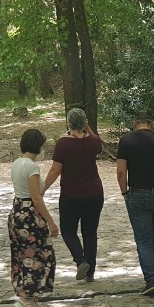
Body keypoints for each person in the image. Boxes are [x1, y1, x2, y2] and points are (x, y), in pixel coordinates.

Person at [117, 109, 154, 295]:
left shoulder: (126, 141)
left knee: (143, 239)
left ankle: (150, 279)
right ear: (152, 124)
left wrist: (124, 192)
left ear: (134, 124)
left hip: (138, 193)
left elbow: (121, 171)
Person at [43, 108, 104, 283]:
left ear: (68, 123)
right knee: (90, 233)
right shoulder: (93, 141)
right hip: (94, 193)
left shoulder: (63, 144)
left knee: (68, 231)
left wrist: (43, 188)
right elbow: (98, 144)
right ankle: (90, 272)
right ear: (84, 123)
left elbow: (56, 170)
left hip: (71, 194)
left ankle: (80, 260)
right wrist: (88, 127)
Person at [8, 129, 59, 307]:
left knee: (22, 255)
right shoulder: (32, 167)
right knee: (39, 255)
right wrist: (50, 221)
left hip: (17, 212)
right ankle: (28, 298)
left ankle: (26, 295)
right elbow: (36, 197)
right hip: (30, 216)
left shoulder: (16, 163)